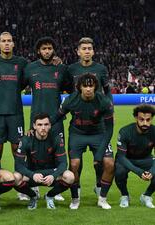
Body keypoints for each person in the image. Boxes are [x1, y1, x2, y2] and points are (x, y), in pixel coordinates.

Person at [22, 36, 73, 201]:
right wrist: (31, 124)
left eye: (50, 48)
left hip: (56, 120)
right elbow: (19, 86)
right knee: (33, 155)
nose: (47, 51)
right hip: (36, 122)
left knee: (55, 154)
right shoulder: (30, 68)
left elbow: (71, 88)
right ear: (39, 51)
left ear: (53, 50)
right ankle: (33, 187)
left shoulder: (61, 69)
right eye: (44, 48)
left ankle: (54, 188)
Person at [54, 73, 114, 209]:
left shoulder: (104, 102)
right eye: (85, 86)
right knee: (74, 164)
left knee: (109, 163)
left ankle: (102, 199)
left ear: (95, 87)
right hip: (77, 134)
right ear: (79, 87)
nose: (88, 89)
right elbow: (57, 117)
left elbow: (109, 130)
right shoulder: (71, 100)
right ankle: (75, 198)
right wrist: (40, 126)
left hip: (99, 134)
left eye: (91, 86)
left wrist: (99, 154)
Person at [67, 37, 113, 197]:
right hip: (78, 122)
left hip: (98, 123)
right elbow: (69, 91)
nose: (87, 51)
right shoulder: (71, 69)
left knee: (100, 161)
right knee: (75, 162)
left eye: (89, 48)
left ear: (93, 51)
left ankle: (99, 186)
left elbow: (106, 91)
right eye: (84, 48)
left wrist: (110, 107)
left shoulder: (101, 69)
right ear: (78, 51)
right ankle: (76, 189)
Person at [14, 113, 74, 210]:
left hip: (51, 173)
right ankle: (33, 196)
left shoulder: (56, 139)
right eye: (40, 125)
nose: (43, 128)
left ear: (50, 125)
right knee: (16, 178)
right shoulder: (26, 140)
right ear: (34, 126)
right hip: (33, 173)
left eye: (46, 124)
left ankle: (50, 196)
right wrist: (31, 175)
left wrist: (53, 175)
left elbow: (63, 163)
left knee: (70, 177)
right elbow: (18, 165)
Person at [0, 31, 28, 159]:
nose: (6, 43)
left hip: (16, 112)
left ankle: (20, 176)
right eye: (3, 41)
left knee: (17, 148)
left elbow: (24, 83)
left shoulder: (22, 62)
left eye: (9, 41)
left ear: (13, 44)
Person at [115, 104, 155, 208]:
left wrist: (152, 171)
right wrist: (139, 172)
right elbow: (121, 157)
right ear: (136, 118)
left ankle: (146, 196)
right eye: (141, 119)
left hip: (145, 159)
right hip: (126, 159)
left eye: (148, 119)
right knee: (119, 171)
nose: (145, 123)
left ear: (152, 119)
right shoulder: (125, 132)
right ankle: (125, 196)